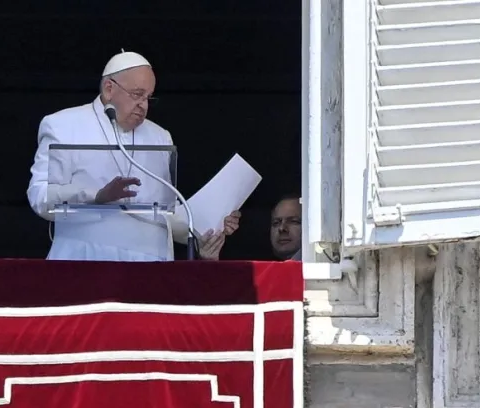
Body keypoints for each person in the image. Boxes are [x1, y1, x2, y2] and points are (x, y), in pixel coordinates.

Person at [27, 50, 240, 261]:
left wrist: (210, 225)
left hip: (152, 266)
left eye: (148, 97)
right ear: (109, 89)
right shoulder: (63, 125)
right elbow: (40, 195)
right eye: (137, 95)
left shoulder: (159, 136)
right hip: (87, 260)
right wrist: (96, 196)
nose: (144, 105)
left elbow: (164, 214)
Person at [199, 195, 301, 261]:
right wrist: (210, 264)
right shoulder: (257, 273)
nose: (282, 228)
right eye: (276, 223)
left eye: (294, 221)